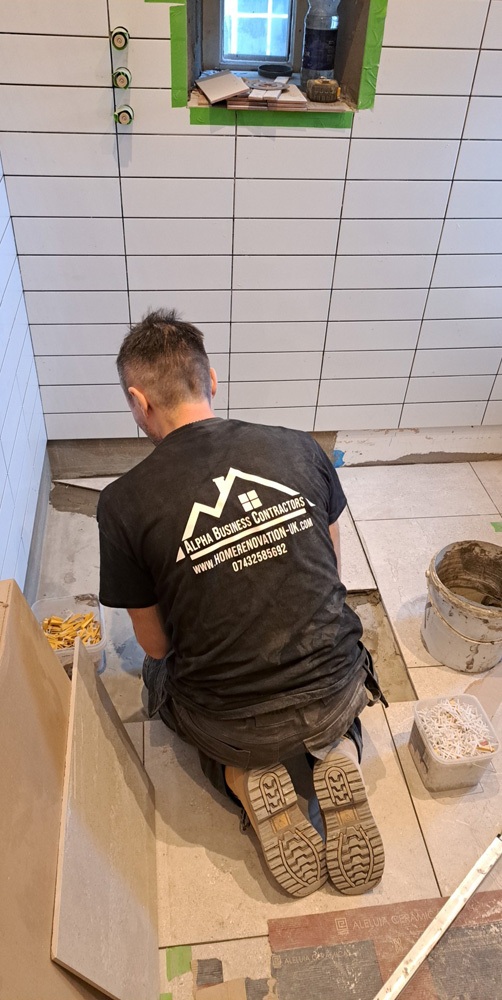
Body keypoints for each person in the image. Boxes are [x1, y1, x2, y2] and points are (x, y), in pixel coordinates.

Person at [97, 309, 386, 899]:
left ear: (138, 401)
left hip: (230, 721)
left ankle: (239, 773)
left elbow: (157, 645)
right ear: (211, 379)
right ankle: (340, 747)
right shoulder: (300, 448)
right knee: (325, 632)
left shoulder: (122, 504)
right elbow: (332, 574)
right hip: (334, 687)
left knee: (152, 671)